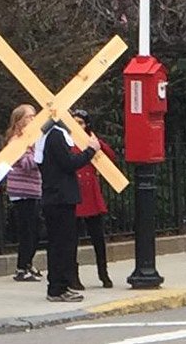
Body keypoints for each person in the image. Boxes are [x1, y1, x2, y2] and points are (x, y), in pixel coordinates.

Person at [35, 119, 100, 302]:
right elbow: (68, 163)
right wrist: (91, 150)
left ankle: (61, 285)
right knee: (61, 245)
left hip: (59, 198)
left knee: (64, 245)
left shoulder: (52, 136)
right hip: (59, 198)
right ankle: (56, 288)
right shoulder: (55, 136)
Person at [70, 109, 115, 290]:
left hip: (91, 194)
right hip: (75, 193)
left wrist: (97, 143)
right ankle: (74, 276)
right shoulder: (68, 140)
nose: (78, 126)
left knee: (98, 238)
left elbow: (110, 156)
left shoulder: (92, 140)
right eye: (75, 122)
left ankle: (103, 273)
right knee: (73, 240)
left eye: (81, 122)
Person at [4, 104, 43, 282]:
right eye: (29, 117)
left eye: (34, 116)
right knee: (27, 231)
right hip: (21, 191)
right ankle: (21, 267)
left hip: (33, 190)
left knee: (35, 230)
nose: (33, 120)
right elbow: (27, 164)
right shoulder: (17, 141)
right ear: (19, 121)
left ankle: (28, 262)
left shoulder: (32, 139)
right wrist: (37, 150)